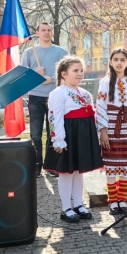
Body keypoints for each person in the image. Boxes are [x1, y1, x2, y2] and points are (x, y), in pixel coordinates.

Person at [44, 56, 103, 222]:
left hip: (82, 136)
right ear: (64, 74)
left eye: (81, 70)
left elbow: (92, 116)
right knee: (66, 172)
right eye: (75, 71)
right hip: (68, 135)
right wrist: (59, 140)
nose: (80, 74)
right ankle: (66, 208)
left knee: (79, 172)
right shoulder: (58, 93)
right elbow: (54, 118)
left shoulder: (85, 93)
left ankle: (78, 204)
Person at [21, 22, 68, 177]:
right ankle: (36, 164)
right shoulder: (29, 53)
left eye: (49, 30)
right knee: (35, 133)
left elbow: (67, 73)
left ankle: (52, 165)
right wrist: (36, 73)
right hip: (35, 97)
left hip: (55, 97)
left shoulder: (61, 52)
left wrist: (51, 78)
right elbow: (23, 76)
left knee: (53, 131)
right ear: (37, 32)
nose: (46, 33)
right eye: (43, 30)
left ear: (52, 32)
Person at [96, 48, 127, 214]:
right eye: (116, 59)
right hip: (112, 126)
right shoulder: (105, 83)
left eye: (122, 60)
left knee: (126, 165)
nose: (119, 63)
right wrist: (103, 130)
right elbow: (100, 106)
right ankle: (112, 200)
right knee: (112, 165)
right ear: (111, 63)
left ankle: (122, 199)